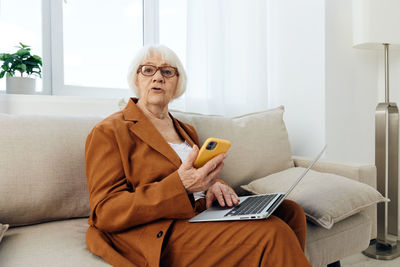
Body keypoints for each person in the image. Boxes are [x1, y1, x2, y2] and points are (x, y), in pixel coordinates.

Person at [85, 45, 311, 267]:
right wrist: (180, 185)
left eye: (167, 71)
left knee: (290, 212)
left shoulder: (185, 129)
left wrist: (215, 184)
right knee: (272, 232)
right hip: (158, 229)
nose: (158, 77)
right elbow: (105, 212)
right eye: (148, 70)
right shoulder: (109, 131)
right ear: (136, 79)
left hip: (200, 213)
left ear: (177, 83)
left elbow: (196, 174)